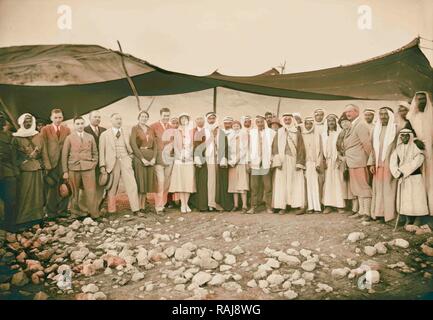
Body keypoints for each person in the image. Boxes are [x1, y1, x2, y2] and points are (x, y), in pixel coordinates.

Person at [99, 113, 140, 214]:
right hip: (112, 163)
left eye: (120, 119)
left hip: (125, 160)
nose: (119, 121)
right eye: (117, 119)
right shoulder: (105, 134)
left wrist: (130, 156)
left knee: (132, 185)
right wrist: (102, 165)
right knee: (112, 187)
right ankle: (112, 210)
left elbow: (131, 145)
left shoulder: (126, 132)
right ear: (111, 121)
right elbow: (101, 151)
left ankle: (136, 209)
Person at [12, 113, 45, 230]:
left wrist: (42, 163)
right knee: (25, 194)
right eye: (26, 121)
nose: (28, 123)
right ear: (21, 122)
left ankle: (37, 218)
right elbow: (14, 157)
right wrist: (19, 166)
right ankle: (23, 220)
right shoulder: (16, 138)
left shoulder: (38, 136)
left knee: (38, 195)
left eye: (30, 121)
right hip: (24, 170)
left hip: (37, 168)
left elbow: (43, 153)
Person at [62, 116, 99, 218]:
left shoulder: (90, 137)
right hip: (74, 167)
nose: (80, 126)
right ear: (74, 125)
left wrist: (93, 164)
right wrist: (65, 171)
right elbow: (64, 155)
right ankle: (75, 213)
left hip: (88, 168)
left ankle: (94, 214)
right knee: (74, 192)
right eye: (77, 124)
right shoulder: (69, 138)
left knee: (91, 191)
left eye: (82, 123)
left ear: (84, 124)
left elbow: (95, 153)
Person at [390, 128, 429, 225]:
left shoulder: (416, 147)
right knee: (406, 199)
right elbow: (393, 161)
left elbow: (419, 160)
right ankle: (408, 219)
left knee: (416, 198)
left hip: (415, 177)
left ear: (410, 136)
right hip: (403, 178)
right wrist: (396, 172)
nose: (404, 137)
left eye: (406, 135)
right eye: (402, 135)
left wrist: (403, 170)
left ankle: (418, 220)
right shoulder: (398, 148)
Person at [367, 107, 398, 223]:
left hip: (390, 164)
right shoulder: (376, 129)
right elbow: (372, 148)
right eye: (381, 114)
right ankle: (378, 214)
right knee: (378, 190)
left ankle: (389, 215)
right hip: (378, 165)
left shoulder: (395, 128)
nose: (383, 116)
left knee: (388, 189)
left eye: (386, 114)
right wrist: (372, 163)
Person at [272, 113, 306, 215]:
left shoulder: (296, 132)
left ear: (292, 120)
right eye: (285, 119)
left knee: (294, 183)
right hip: (282, 161)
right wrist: (277, 160)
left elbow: (301, 148)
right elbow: (274, 147)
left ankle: (295, 205)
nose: (287, 121)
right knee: (282, 184)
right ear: (283, 121)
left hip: (293, 160)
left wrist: (299, 162)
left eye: (289, 119)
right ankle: (283, 206)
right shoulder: (279, 132)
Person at [40, 108, 71, 219]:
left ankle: (62, 211)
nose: (58, 120)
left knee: (66, 187)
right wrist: (47, 164)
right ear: (51, 118)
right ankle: (51, 213)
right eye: (55, 118)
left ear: (62, 118)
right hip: (51, 164)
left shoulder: (66, 130)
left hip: (63, 163)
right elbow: (42, 148)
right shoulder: (45, 129)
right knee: (52, 188)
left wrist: (67, 165)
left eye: (60, 117)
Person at [343, 104, 372, 218]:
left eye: (350, 111)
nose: (348, 114)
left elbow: (366, 144)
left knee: (363, 187)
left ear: (357, 112)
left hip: (360, 161)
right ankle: (361, 212)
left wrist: (370, 161)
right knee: (357, 188)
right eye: (346, 112)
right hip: (352, 162)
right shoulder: (352, 125)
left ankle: (367, 213)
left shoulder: (361, 125)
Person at [407, 91, 433, 216]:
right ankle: (421, 211)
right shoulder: (411, 117)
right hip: (418, 150)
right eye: (418, 99)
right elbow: (409, 133)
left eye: (423, 99)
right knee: (420, 179)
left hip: (431, 150)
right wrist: (416, 141)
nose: (421, 101)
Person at [247, 115, 275, 214]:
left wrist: (272, 160)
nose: (260, 124)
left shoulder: (271, 133)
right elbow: (248, 148)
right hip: (255, 162)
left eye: (261, 122)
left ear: (265, 122)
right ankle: (253, 207)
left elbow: (273, 147)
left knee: (267, 186)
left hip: (266, 162)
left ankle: (268, 206)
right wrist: (248, 161)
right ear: (256, 123)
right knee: (254, 186)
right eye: (258, 122)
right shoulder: (251, 133)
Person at [130, 110, 157, 213]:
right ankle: (138, 207)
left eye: (146, 116)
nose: (144, 118)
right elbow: (133, 144)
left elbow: (155, 145)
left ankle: (143, 206)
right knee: (140, 182)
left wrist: (154, 158)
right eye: (142, 116)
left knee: (146, 182)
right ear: (138, 117)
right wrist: (142, 159)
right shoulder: (135, 128)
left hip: (150, 158)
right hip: (140, 158)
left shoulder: (150, 129)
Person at [169, 113, 196, 213]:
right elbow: (175, 145)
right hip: (179, 159)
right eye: (182, 118)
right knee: (181, 181)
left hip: (189, 159)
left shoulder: (192, 131)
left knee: (188, 181)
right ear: (180, 120)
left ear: (188, 120)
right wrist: (180, 156)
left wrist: (188, 155)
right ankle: (182, 204)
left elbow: (193, 145)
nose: (184, 120)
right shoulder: (176, 131)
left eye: (186, 118)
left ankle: (187, 203)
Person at [82, 110, 107, 211]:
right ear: (90, 118)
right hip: (90, 163)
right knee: (89, 187)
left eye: (99, 117)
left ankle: (97, 207)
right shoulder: (84, 130)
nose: (97, 119)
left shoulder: (104, 130)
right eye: (95, 117)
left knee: (101, 184)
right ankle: (87, 209)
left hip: (102, 163)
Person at [321, 114, 346, 213]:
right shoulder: (323, 135)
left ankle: (340, 205)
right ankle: (328, 205)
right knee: (328, 183)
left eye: (332, 121)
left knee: (338, 182)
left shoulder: (340, 133)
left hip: (337, 161)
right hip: (328, 161)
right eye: (329, 121)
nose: (331, 123)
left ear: (336, 122)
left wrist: (340, 159)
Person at [150, 107, 172, 214]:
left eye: (168, 116)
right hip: (158, 159)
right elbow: (150, 142)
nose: (166, 118)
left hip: (169, 159)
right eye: (164, 116)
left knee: (167, 183)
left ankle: (163, 204)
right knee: (160, 182)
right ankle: (158, 207)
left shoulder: (172, 127)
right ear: (160, 115)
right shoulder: (154, 126)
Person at [0, 111, 19, 232]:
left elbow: (14, 157)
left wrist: (16, 172)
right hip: (7, 171)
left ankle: (9, 227)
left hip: (8, 172)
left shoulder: (10, 137)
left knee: (11, 201)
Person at [302, 117, 323, 213]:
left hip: (315, 163)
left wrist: (318, 163)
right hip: (306, 163)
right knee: (308, 186)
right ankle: (310, 207)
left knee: (316, 185)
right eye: (307, 124)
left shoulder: (317, 135)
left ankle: (317, 207)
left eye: (310, 124)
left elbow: (320, 151)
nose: (308, 126)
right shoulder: (302, 135)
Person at [336, 113, 356, 213]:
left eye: (346, 122)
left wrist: (348, 157)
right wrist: (340, 156)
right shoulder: (341, 134)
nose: (344, 124)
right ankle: (347, 203)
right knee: (344, 182)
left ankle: (354, 206)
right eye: (342, 123)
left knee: (353, 183)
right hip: (343, 161)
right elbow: (338, 147)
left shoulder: (353, 132)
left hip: (352, 160)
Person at [227, 120, 249, 212]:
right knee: (234, 184)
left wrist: (236, 160)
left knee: (242, 184)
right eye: (234, 126)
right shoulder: (229, 136)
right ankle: (236, 205)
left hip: (241, 162)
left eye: (237, 126)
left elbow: (244, 149)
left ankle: (244, 205)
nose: (236, 127)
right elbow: (227, 149)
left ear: (240, 126)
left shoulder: (243, 134)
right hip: (232, 163)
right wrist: (230, 160)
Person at [204, 112, 223, 211]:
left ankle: (217, 201)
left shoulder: (219, 130)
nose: (212, 120)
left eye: (213, 118)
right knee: (211, 180)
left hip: (218, 157)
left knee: (218, 180)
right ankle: (211, 203)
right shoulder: (205, 130)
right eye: (210, 118)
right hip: (208, 157)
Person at [191, 116, 208, 212]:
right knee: (195, 181)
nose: (199, 121)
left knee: (203, 182)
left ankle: (203, 205)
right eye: (197, 119)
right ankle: (194, 203)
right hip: (195, 158)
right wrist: (196, 159)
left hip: (205, 158)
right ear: (195, 121)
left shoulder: (206, 131)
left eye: (201, 119)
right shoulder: (192, 131)